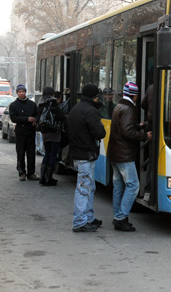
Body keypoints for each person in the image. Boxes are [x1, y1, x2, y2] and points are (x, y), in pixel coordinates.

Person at [107, 81, 152, 232]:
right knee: (133, 185)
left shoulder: (119, 106)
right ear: (134, 95)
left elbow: (124, 128)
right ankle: (120, 217)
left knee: (119, 187)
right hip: (124, 155)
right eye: (137, 95)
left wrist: (139, 126)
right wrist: (145, 135)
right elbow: (127, 132)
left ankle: (119, 216)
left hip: (115, 153)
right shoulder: (128, 109)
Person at [67, 83, 106, 232]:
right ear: (95, 97)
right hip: (86, 154)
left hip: (78, 152)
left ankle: (89, 217)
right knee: (84, 188)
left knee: (89, 187)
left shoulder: (75, 109)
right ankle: (79, 221)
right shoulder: (91, 111)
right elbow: (99, 133)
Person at [9, 84, 39, 181]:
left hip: (30, 131)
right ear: (17, 93)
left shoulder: (32, 104)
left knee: (31, 153)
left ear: (25, 92)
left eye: (23, 91)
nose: (21, 93)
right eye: (19, 92)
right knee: (20, 153)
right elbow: (14, 118)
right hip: (20, 132)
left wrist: (35, 121)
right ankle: (22, 172)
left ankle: (31, 173)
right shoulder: (14, 105)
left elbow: (37, 115)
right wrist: (27, 119)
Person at [37, 87, 66, 186]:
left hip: (45, 132)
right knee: (53, 154)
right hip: (54, 132)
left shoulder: (41, 102)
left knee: (47, 153)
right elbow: (60, 116)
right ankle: (49, 178)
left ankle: (42, 177)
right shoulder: (53, 103)